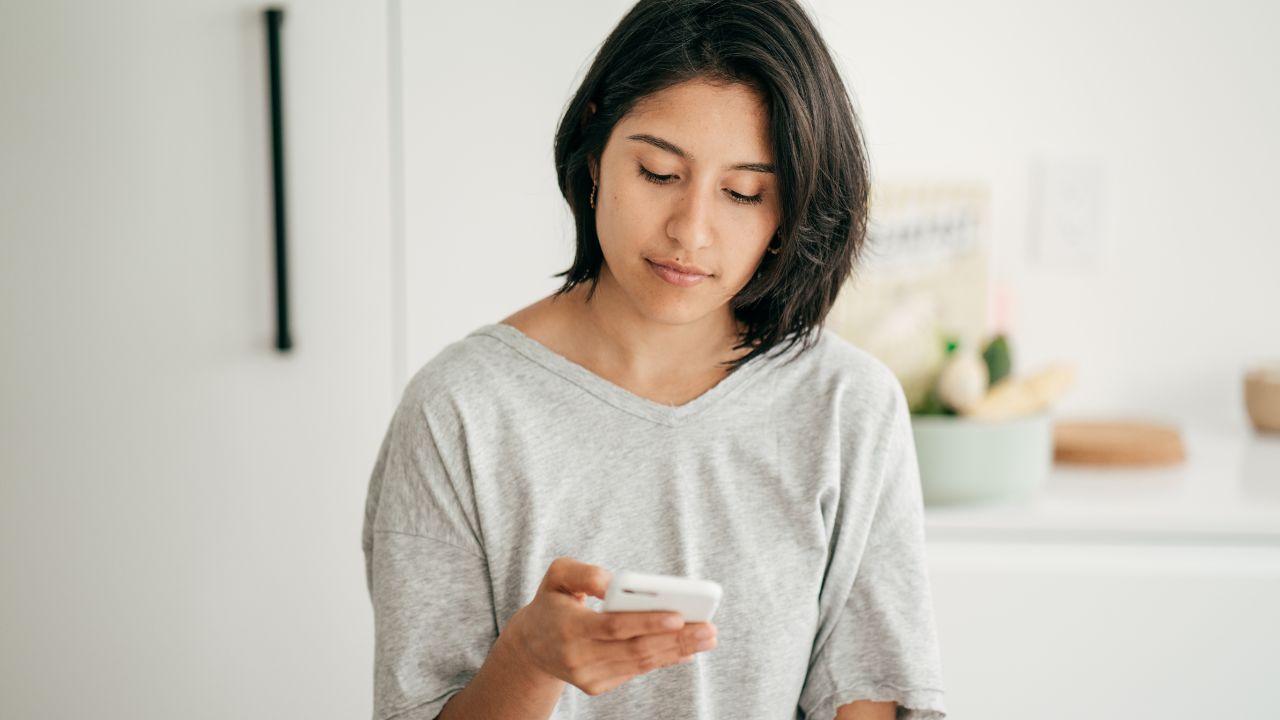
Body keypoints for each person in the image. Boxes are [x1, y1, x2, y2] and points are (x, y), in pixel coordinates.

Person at [361, 0, 946, 718]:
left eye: (743, 192)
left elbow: (869, 695)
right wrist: (529, 659)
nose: (690, 231)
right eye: (660, 173)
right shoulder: (460, 411)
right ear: (595, 145)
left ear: (788, 209)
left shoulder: (847, 406)